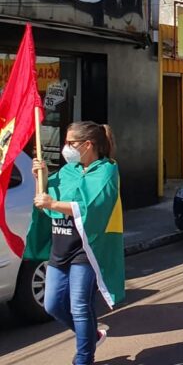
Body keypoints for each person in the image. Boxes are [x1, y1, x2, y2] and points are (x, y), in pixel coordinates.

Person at [26, 122, 123, 365]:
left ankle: (83, 358)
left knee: (80, 305)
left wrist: (53, 204)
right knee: (53, 304)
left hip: (87, 249)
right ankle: (92, 335)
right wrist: (43, 177)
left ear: (87, 145)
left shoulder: (107, 170)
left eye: (70, 143)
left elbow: (93, 206)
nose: (65, 148)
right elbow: (47, 197)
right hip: (61, 247)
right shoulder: (68, 170)